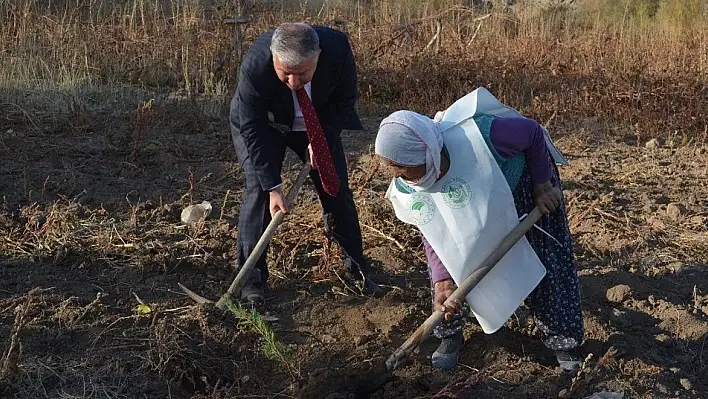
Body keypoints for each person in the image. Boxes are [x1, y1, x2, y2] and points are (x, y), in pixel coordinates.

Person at [374, 90, 584, 372]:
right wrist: (442, 279)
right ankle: (449, 336)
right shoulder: (410, 184)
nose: (405, 181)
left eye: (407, 172)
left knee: (548, 262)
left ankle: (564, 344)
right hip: (467, 203)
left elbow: (533, 133)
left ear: (428, 153)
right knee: (452, 270)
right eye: (397, 174)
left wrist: (542, 185)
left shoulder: (485, 136)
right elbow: (434, 232)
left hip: (524, 189)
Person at [229, 22, 383, 303]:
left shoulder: (337, 49)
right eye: (285, 73)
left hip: (319, 122)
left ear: (318, 56)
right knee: (259, 192)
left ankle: (357, 270)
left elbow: (345, 100)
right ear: (274, 58)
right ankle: (251, 281)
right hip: (267, 125)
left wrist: (322, 139)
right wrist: (273, 187)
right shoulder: (255, 65)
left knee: (336, 191)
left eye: (302, 74)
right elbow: (251, 127)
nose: (292, 82)